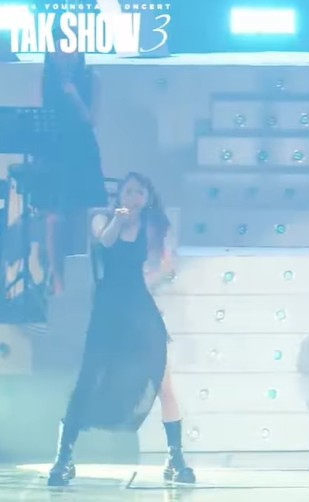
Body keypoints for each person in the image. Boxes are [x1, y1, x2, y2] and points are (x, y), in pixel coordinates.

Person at [47, 173, 195, 486]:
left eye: (139, 192)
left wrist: (155, 279)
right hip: (108, 311)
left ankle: (176, 457)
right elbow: (105, 240)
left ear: (147, 197)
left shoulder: (153, 225)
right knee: (87, 381)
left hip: (139, 308)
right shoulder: (103, 219)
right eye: (128, 191)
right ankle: (63, 459)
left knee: (163, 381)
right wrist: (118, 219)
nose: (133, 197)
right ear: (119, 195)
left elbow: (166, 264)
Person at [38, 27, 108, 295]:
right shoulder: (47, 78)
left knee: (81, 216)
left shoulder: (92, 78)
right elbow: (43, 115)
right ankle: (57, 281)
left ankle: (79, 280)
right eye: (58, 48)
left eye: (70, 48)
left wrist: (74, 95)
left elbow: (91, 119)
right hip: (54, 151)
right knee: (54, 217)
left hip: (82, 152)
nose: (64, 54)